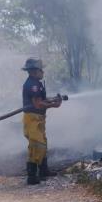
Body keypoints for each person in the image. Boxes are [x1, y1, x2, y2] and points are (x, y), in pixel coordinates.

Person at [21, 57, 62, 185]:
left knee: (42, 143)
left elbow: (41, 100)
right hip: (32, 119)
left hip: (38, 119)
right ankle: (32, 176)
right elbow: (38, 104)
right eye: (41, 70)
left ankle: (44, 170)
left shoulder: (36, 83)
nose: (43, 72)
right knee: (37, 145)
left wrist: (53, 99)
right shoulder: (32, 85)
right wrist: (54, 105)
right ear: (34, 71)